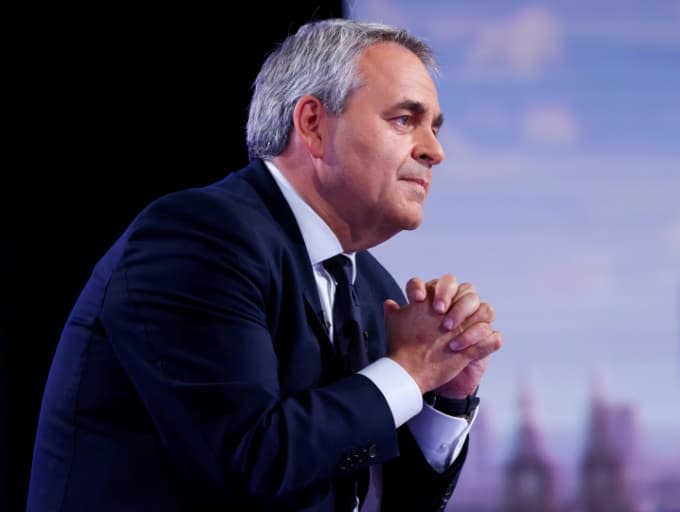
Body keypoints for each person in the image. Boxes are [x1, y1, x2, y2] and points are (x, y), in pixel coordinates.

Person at [26, 18, 502, 512]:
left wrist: (442, 395)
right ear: (314, 125)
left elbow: (390, 498)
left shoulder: (369, 284)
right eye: (405, 120)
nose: (435, 150)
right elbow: (248, 460)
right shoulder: (198, 238)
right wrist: (408, 372)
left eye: (434, 127)